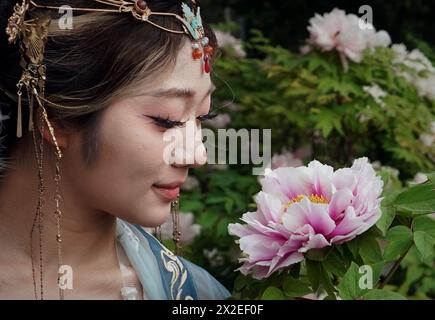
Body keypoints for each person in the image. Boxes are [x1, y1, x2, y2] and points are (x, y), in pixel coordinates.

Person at [0, 0, 231, 300]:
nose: (197, 154)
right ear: (56, 118)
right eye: (167, 120)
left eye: (201, 117)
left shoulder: (197, 295)